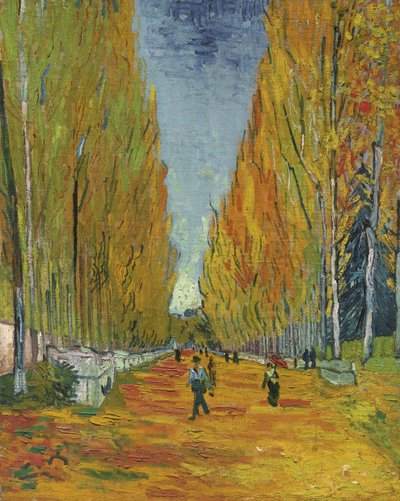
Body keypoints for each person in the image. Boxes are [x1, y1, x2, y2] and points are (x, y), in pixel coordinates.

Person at [187, 355, 214, 421]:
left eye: (196, 362)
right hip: (195, 385)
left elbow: (206, 379)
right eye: (194, 362)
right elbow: (191, 378)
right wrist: (188, 382)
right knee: (198, 399)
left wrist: (209, 387)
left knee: (197, 400)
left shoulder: (202, 369)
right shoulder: (191, 370)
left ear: (198, 362)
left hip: (201, 385)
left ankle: (196, 414)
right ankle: (203, 411)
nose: (195, 363)